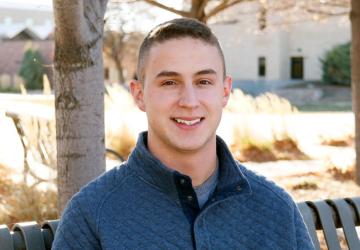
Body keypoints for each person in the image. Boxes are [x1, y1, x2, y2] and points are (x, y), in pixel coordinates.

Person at [52, 18, 314, 249]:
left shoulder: (275, 208)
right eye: (169, 82)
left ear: (224, 92)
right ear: (139, 95)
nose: (189, 101)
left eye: (203, 82)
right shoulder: (93, 213)